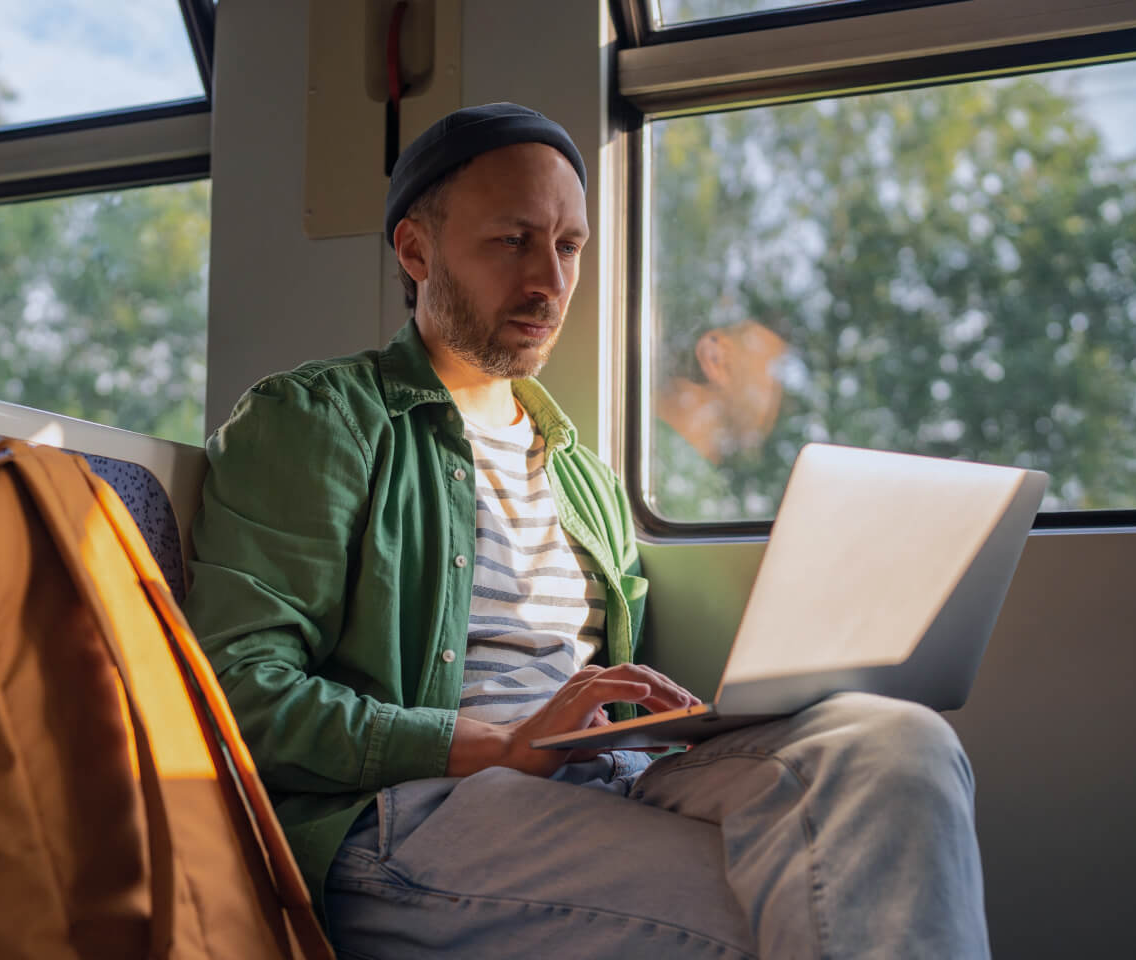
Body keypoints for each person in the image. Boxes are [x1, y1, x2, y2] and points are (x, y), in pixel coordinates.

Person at [184, 102, 990, 959]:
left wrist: (662, 718)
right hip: (417, 813)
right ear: (416, 250)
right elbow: (236, 690)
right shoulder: (320, 420)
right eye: (512, 241)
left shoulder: (583, 475)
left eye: (568, 247)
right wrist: (494, 744)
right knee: (788, 909)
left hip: (613, 782)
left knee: (900, 744)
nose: (549, 281)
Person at [652, 317, 788, 521]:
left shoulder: (696, 482)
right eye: (774, 369)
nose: (781, 393)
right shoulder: (659, 469)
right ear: (715, 358)